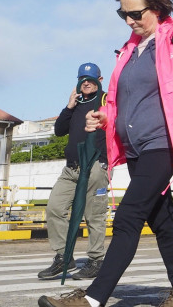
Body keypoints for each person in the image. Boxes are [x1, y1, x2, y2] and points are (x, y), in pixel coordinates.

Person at [39, 0, 173, 307]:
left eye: (135, 13)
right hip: (136, 148)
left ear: (156, 8)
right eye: (122, 14)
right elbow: (124, 101)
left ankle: (94, 298)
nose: (129, 20)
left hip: (163, 144)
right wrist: (105, 118)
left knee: (127, 217)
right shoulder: (128, 51)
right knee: (163, 220)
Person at [39, 64, 110, 281]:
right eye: (82, 79)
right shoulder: (76, 103)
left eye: (90, 78)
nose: (86, 82)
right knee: (54, 208)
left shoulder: (107, 101)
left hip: (95, 166)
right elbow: (59, 130)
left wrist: (109, 163)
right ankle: (64, 256)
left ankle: (96, 260)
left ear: (99, 79)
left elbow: (117, 128)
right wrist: (69, 106)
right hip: (71, 168)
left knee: (94, 216)